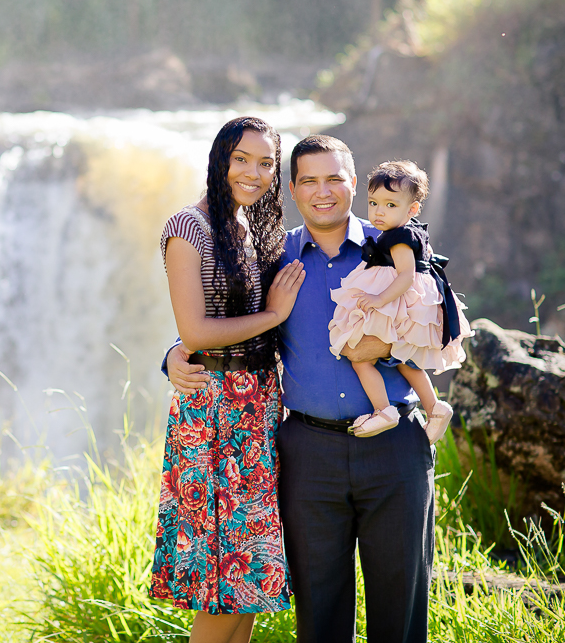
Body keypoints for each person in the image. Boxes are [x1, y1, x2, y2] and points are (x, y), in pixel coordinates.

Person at [166, 135, 435, 643]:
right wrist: (175, 353)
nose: (323, 191)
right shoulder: (273, 257)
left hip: (394, 444)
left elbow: (442, 322)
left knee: (400, 614)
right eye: (309, 180)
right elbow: (220, 318)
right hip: (308, 454)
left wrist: (386, 344)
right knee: (319, 617)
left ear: (355, 184)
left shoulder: (398, 244)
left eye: (335, 178)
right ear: (291, 188)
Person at [149, 116, 306, 643]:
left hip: (258, 405)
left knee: (248, 574)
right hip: (214, 413)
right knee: (222, 574)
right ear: (220, 158)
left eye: (266, 164)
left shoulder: (254, 231)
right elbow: (193, 328)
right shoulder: (187, 228)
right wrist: (272, 315)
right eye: (243, 158)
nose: (254, 172)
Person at [328, 159, 468, 440]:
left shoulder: (400, 237)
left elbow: (405, 276)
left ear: (412, 209)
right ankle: (435, 407)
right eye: (374, 203)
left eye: (390, 205)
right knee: (407, 359)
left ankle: (384, 410)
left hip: (401, 299)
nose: (379, 212)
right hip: (408, 299)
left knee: (357, 354)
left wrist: (378, 299)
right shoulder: (406, 231)